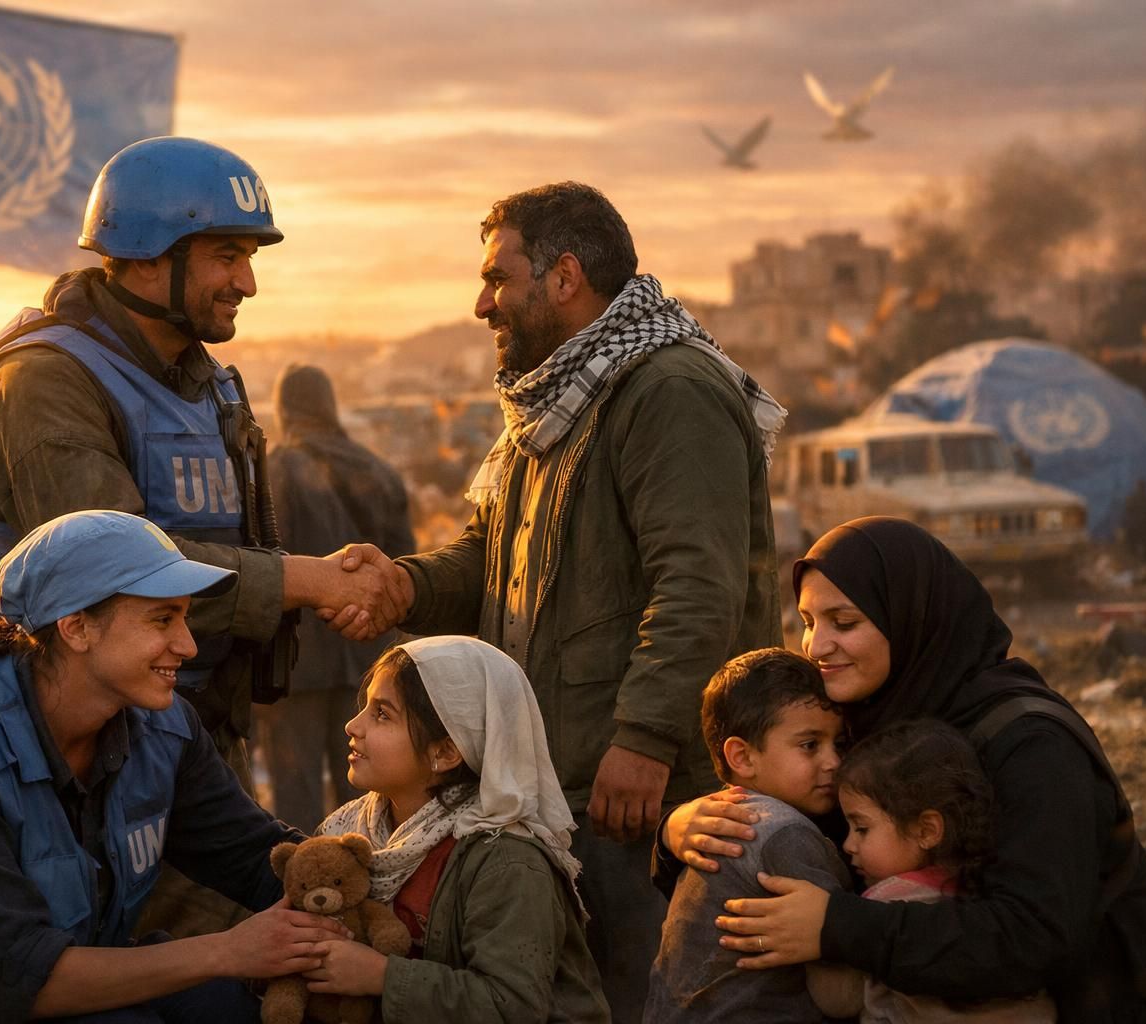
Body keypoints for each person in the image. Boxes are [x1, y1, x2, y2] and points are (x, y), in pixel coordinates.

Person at [346, 180, 787, 1020]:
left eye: (498, 278)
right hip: (559, 776)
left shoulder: (666, 391)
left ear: (564, 277)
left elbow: (699, 584)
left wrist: (646, 736)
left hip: (636, 783)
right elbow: (493, 559)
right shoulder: (551, 406)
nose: (483, 303)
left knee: (645, 994)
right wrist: (402, 584)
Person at [0, 137, 407, 775]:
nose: (246, 282)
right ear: (146, 256)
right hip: (55, 756)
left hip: (191, 738)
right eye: (227, 256)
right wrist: (316, 581)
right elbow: (116, 571)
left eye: (247, 258)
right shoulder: (45, 382)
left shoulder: (207, 385)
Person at [0, 510, 349, 1022]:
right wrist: (226, 950)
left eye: (184, 617)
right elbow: (21, 978)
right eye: (162, 620)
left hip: (93, 988)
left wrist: (362, 898)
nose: (188, 645)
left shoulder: (163, 727)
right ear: (76, 628)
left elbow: (253, 857)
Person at [662, 516, 1146, 1022]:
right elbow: (805, 834)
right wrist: (680, 830)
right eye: (809, 622)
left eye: (845, 622)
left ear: (909, 615)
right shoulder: (870, 724)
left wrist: (839, 927)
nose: (816, 646)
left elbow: (1033, 937)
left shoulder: (1032, 744)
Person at [309, 636, 608, 1023]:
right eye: (364, 707)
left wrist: (382, 977)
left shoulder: (506, 861)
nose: (353, 725)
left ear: (446, 752)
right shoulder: (351, 832)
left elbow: (510, 1006)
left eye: (382, 715)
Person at [645, 647, 849, 1022]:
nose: (834, 761)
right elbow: (839, 994)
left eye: (839, 744)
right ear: (742, 757)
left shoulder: (719, 818)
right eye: (810, 745)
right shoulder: (784, 835)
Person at [806, 718, 1055, 1023]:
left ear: (926, 830)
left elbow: (839, 999)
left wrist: (815, 937)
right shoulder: (987, 891)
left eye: (861, 828)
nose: (848, 844)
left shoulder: (887, 903)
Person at [259, 363, 415, 831]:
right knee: (370, 797)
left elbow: (265, 570)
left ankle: (304, 895)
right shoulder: (382, 474)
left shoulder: (273, 472)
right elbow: (409, 579)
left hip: (293, 667)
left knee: (297, 802)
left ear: (285, 410)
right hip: (373, 665)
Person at [1123, 478, 1146, 564]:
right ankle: (1143, 563)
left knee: (1134, 549)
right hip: (1144, 527)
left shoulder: (1132, 498)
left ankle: (1136, 563)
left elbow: (1127, 512)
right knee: (1145, 549)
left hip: (1136, 526)